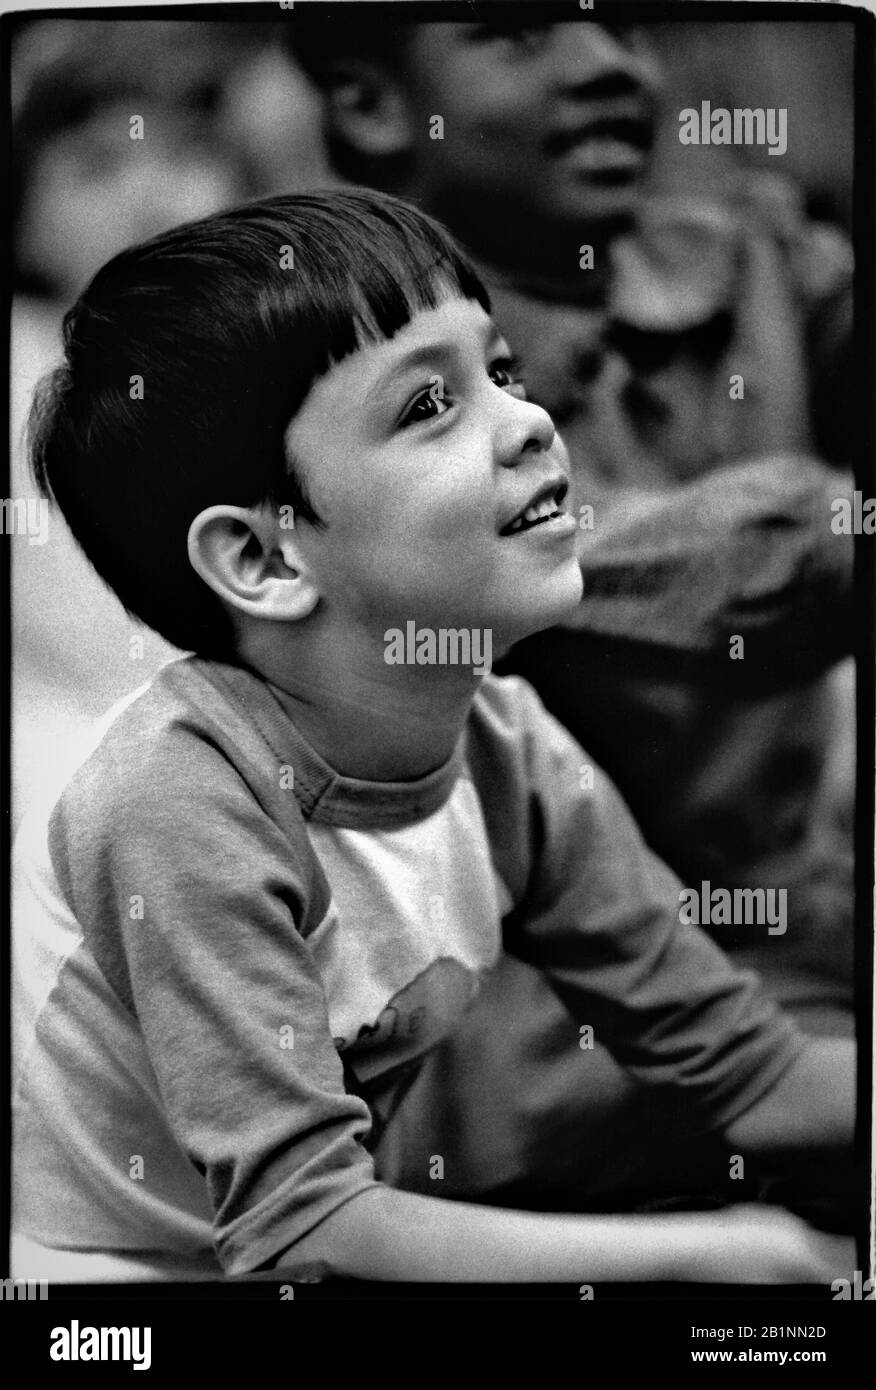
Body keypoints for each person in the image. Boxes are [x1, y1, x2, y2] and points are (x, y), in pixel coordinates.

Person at [13, 190, 854, 1284]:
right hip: (120, 1283)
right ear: (262, 562)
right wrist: (717, 1251)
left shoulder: (506, 744)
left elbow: (754, 1073)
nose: (530, 420)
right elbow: (302, 1226)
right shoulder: (184, 802)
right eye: (428, 406)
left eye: (500, 372)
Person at [289, 14, 856, 1015]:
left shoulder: (752, 255)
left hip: (800, 930)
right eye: (520, 35)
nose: (608, 68)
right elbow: (660, 560)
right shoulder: (311, 348)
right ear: (373, 104)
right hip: (518, 1009)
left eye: (630, 29)